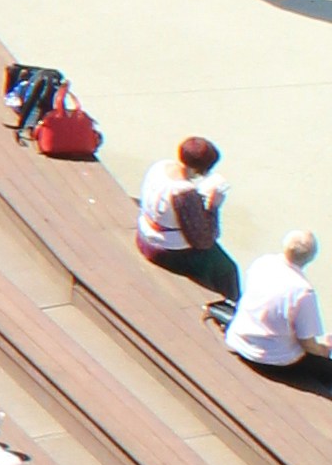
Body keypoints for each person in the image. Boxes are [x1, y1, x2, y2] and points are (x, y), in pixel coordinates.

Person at [220, 228, 332, 382]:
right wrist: (325, 348)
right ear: (311, 257)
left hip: (238, 341)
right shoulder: (303, 291)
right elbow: (308, 344)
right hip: (271, 359)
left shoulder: (263, 262)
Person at [136, 135, 236, 294]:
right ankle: (231, 304)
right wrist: (213, 206)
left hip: (143, 234)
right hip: (165, 252)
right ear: (200, 169)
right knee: (227, 269)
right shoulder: (183, 193)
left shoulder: (160, 166)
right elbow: (204, 241)